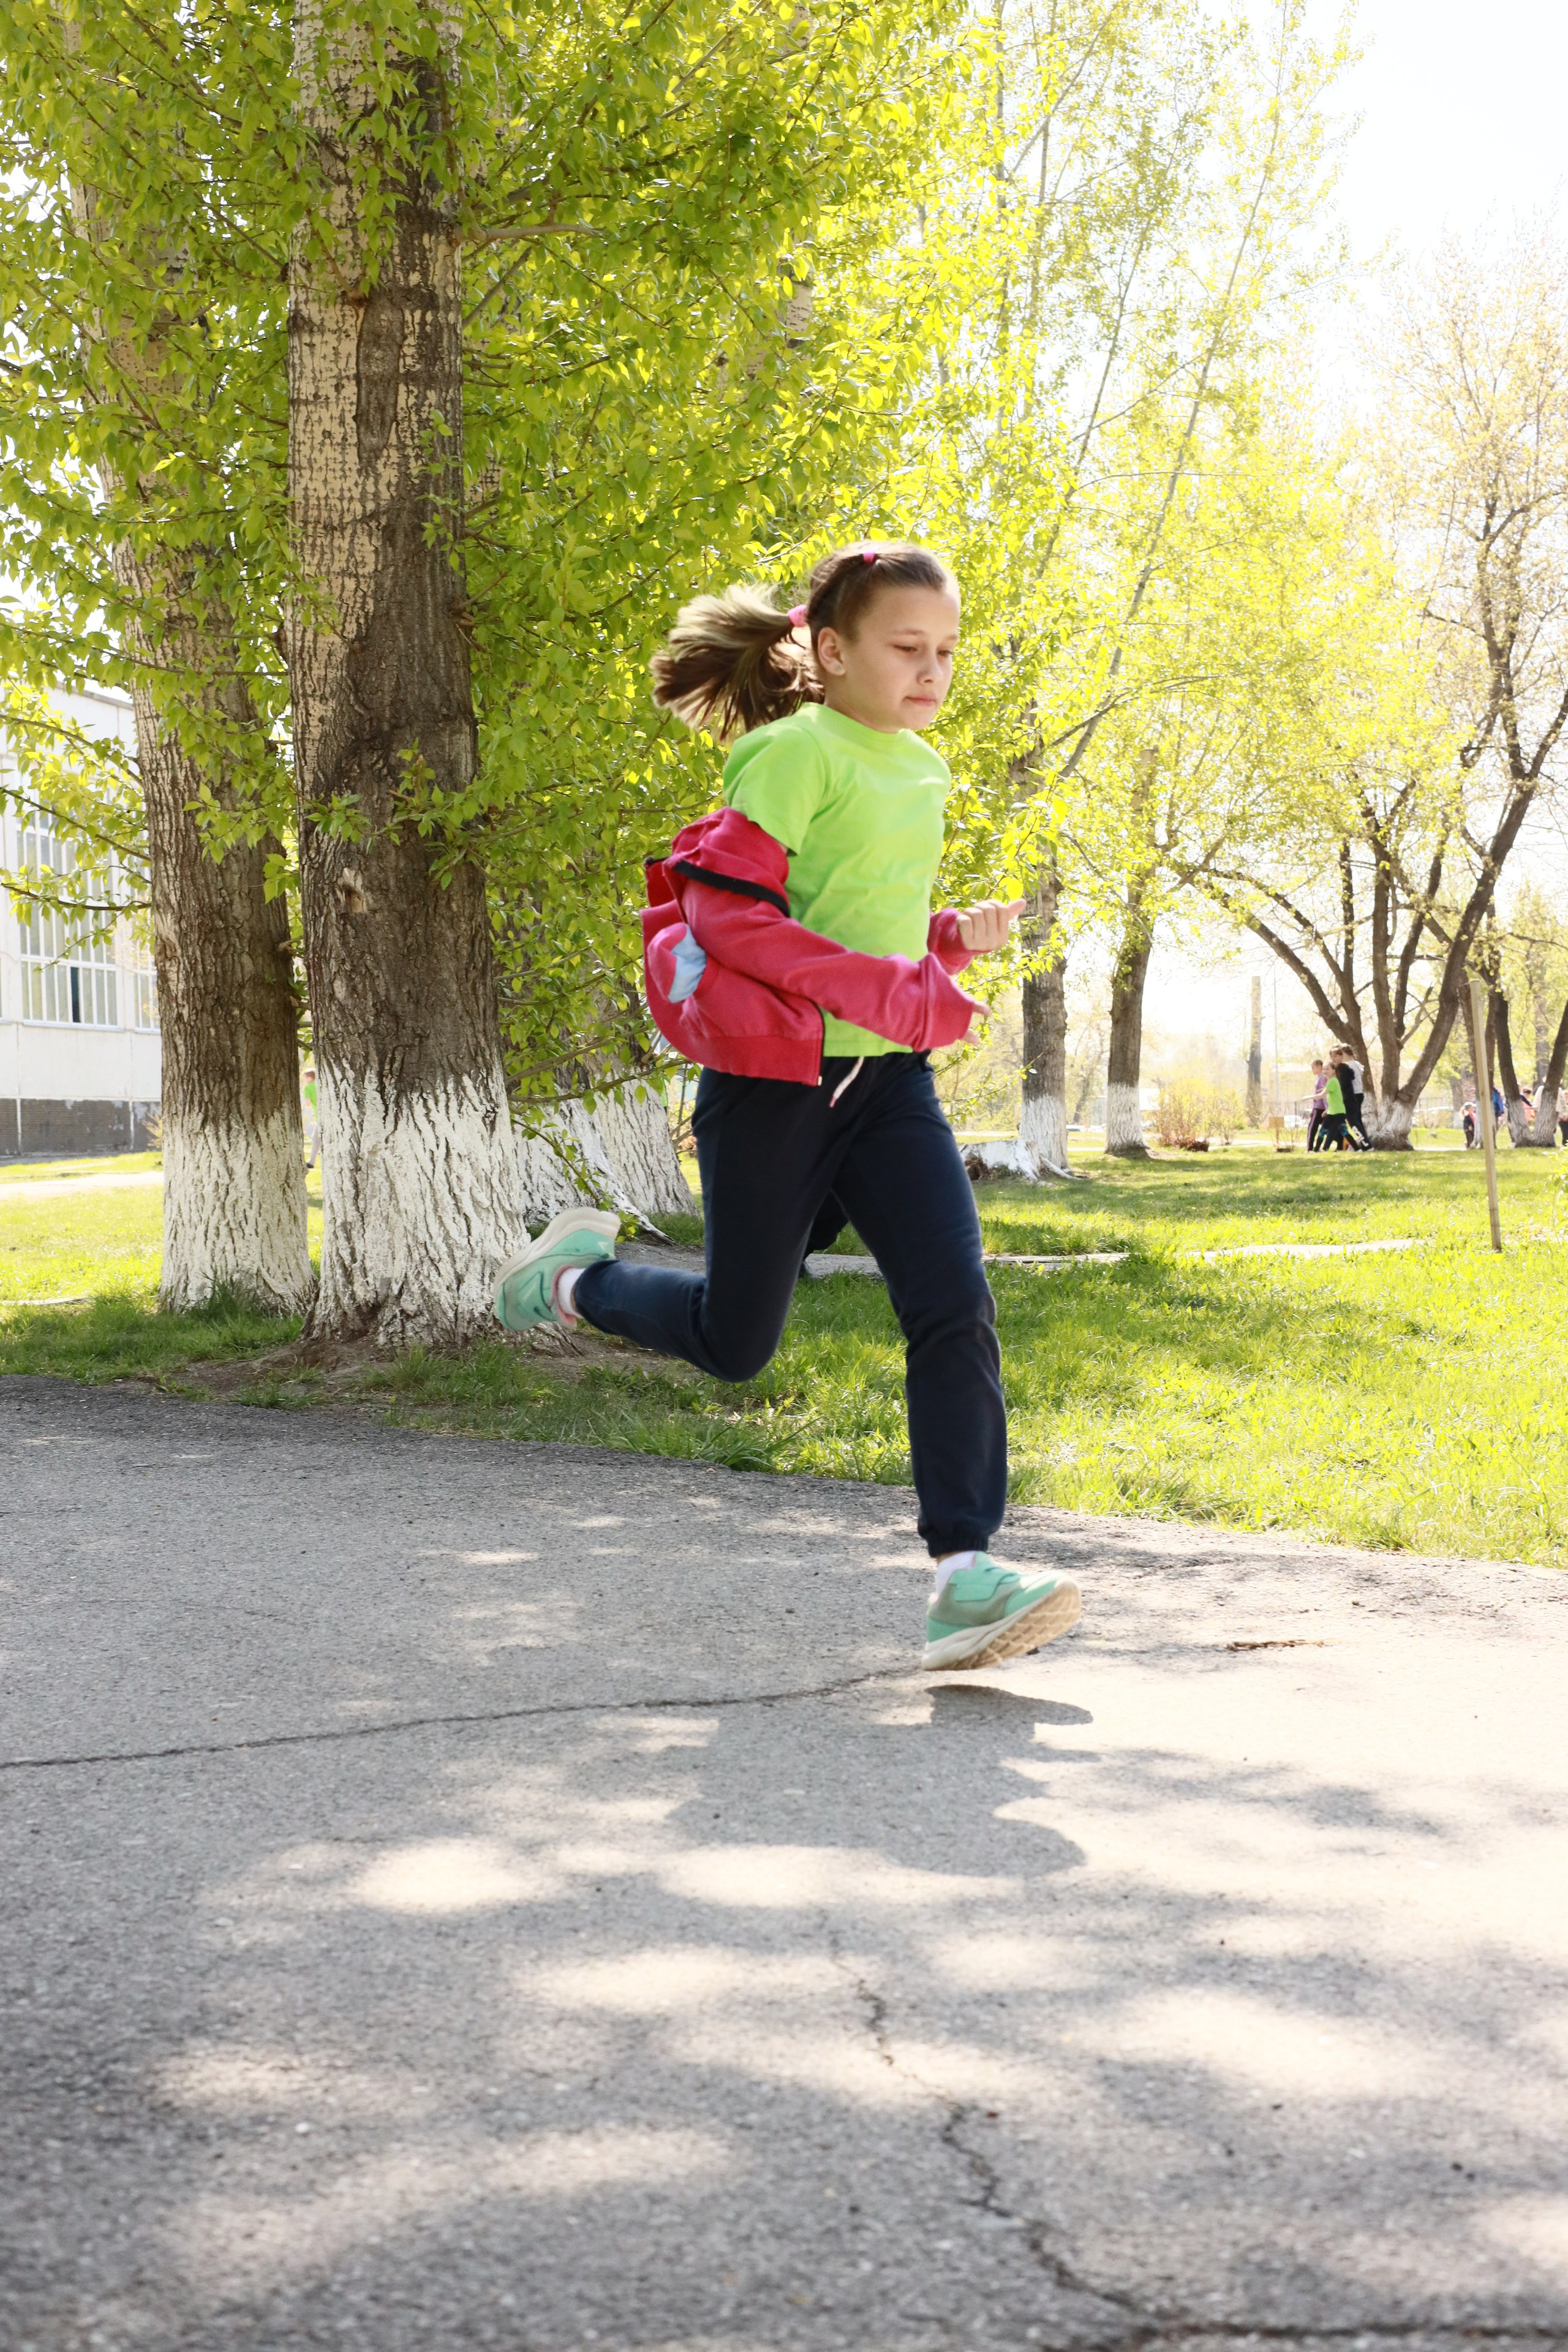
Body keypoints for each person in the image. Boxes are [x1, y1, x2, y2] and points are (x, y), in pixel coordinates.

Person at [491, 540, 1082, 1674]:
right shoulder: (788, 754)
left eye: (946, 651)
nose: (931, 671)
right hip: (773, 1094)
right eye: (907, 648)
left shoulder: (925, 769)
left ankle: (966, 1574)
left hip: (888, 1088)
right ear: (829, 648)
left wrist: (945, 935)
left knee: (954, 1303)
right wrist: (887, 985)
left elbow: (860, 910)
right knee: (736, 1340)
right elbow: (732, 921)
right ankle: (568, 1281)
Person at [1335, 1046, 1371, 1150]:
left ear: (1344, 1054)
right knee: (1357, 1121)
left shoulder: (1351, 1065)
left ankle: (1366, 1144)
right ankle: (1365, 1144)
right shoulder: (1355, 1064)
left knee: (1353, 1122)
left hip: (1354, 1095)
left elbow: (1350, 1080)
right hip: (1358, 1094)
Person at [1305, 1058, 1328, 1152]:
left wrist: (1327, 1108)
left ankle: (1310, 1148)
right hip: (1317, 1106)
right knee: (1326, 1128)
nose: (1312, 1070)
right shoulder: (1319, 1077)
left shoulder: (1323, 1078)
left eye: (1313, 1067)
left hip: (1320, 1107)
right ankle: (1340, 1142)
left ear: (1319, 1067)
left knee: (1313, 1128)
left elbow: (1324, 1095)